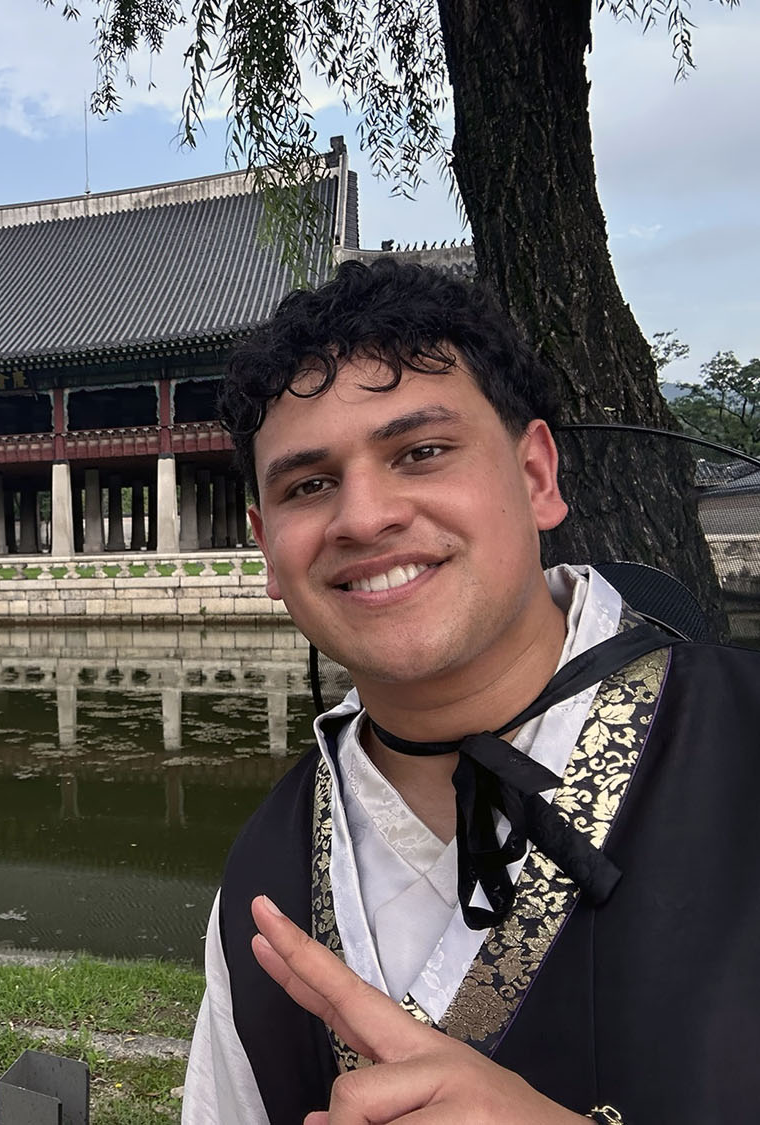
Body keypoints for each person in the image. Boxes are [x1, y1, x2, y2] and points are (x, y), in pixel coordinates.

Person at [182, 258, 760, 1123]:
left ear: (535, 475)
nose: (365, 517)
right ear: (268, 546)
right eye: (309, 484)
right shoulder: (264, 881)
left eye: (421, 451)